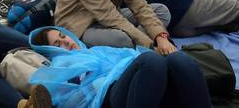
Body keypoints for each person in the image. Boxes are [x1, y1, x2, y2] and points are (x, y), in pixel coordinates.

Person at [30, 26, 211, 108]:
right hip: (110, 99)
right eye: (58, 43)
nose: (67, 42)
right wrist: (106, 79)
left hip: (143, 87)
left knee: (178, 60)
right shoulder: (60, 67)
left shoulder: (94, 50)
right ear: (49, 50)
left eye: (63, 36)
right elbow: (69, 101)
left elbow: (129, 57)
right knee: (151, 61)